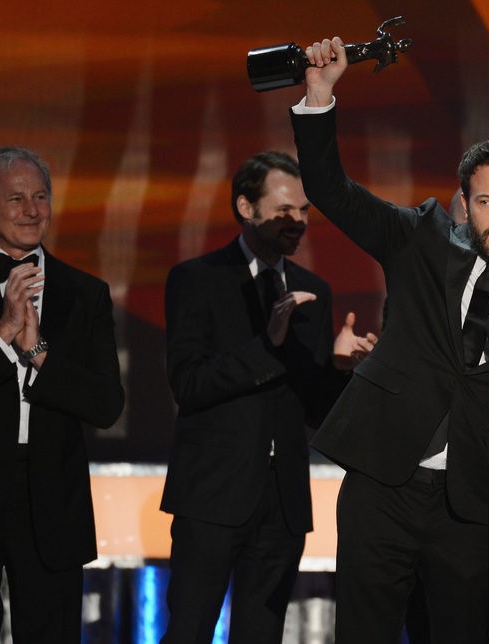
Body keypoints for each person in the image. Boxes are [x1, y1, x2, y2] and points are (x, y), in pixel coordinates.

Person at [289, 37, 489, 643]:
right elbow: (334, 192)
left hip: (472, 504)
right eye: (485, 201)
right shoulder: (421, 239)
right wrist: (319, 96)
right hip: (384, 483)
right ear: (464, 203)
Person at [159, 151, 375, 643]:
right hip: (212, 499)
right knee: (189, 630)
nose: (296, 221)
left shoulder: (312, 291)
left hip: (282, 507)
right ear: (245, 207)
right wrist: (268, 345)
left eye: (303, 211)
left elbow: (317, 411)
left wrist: (341, 371)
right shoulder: (197, 280)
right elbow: (189, 385)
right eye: (283, 210)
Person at [0, 146, 125, 642]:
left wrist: (40, 352)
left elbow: (106, 405)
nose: (32, 210)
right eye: (16, 198)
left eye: (41, 196)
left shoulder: (85, 293)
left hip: (52, 497)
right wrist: (2, 333)